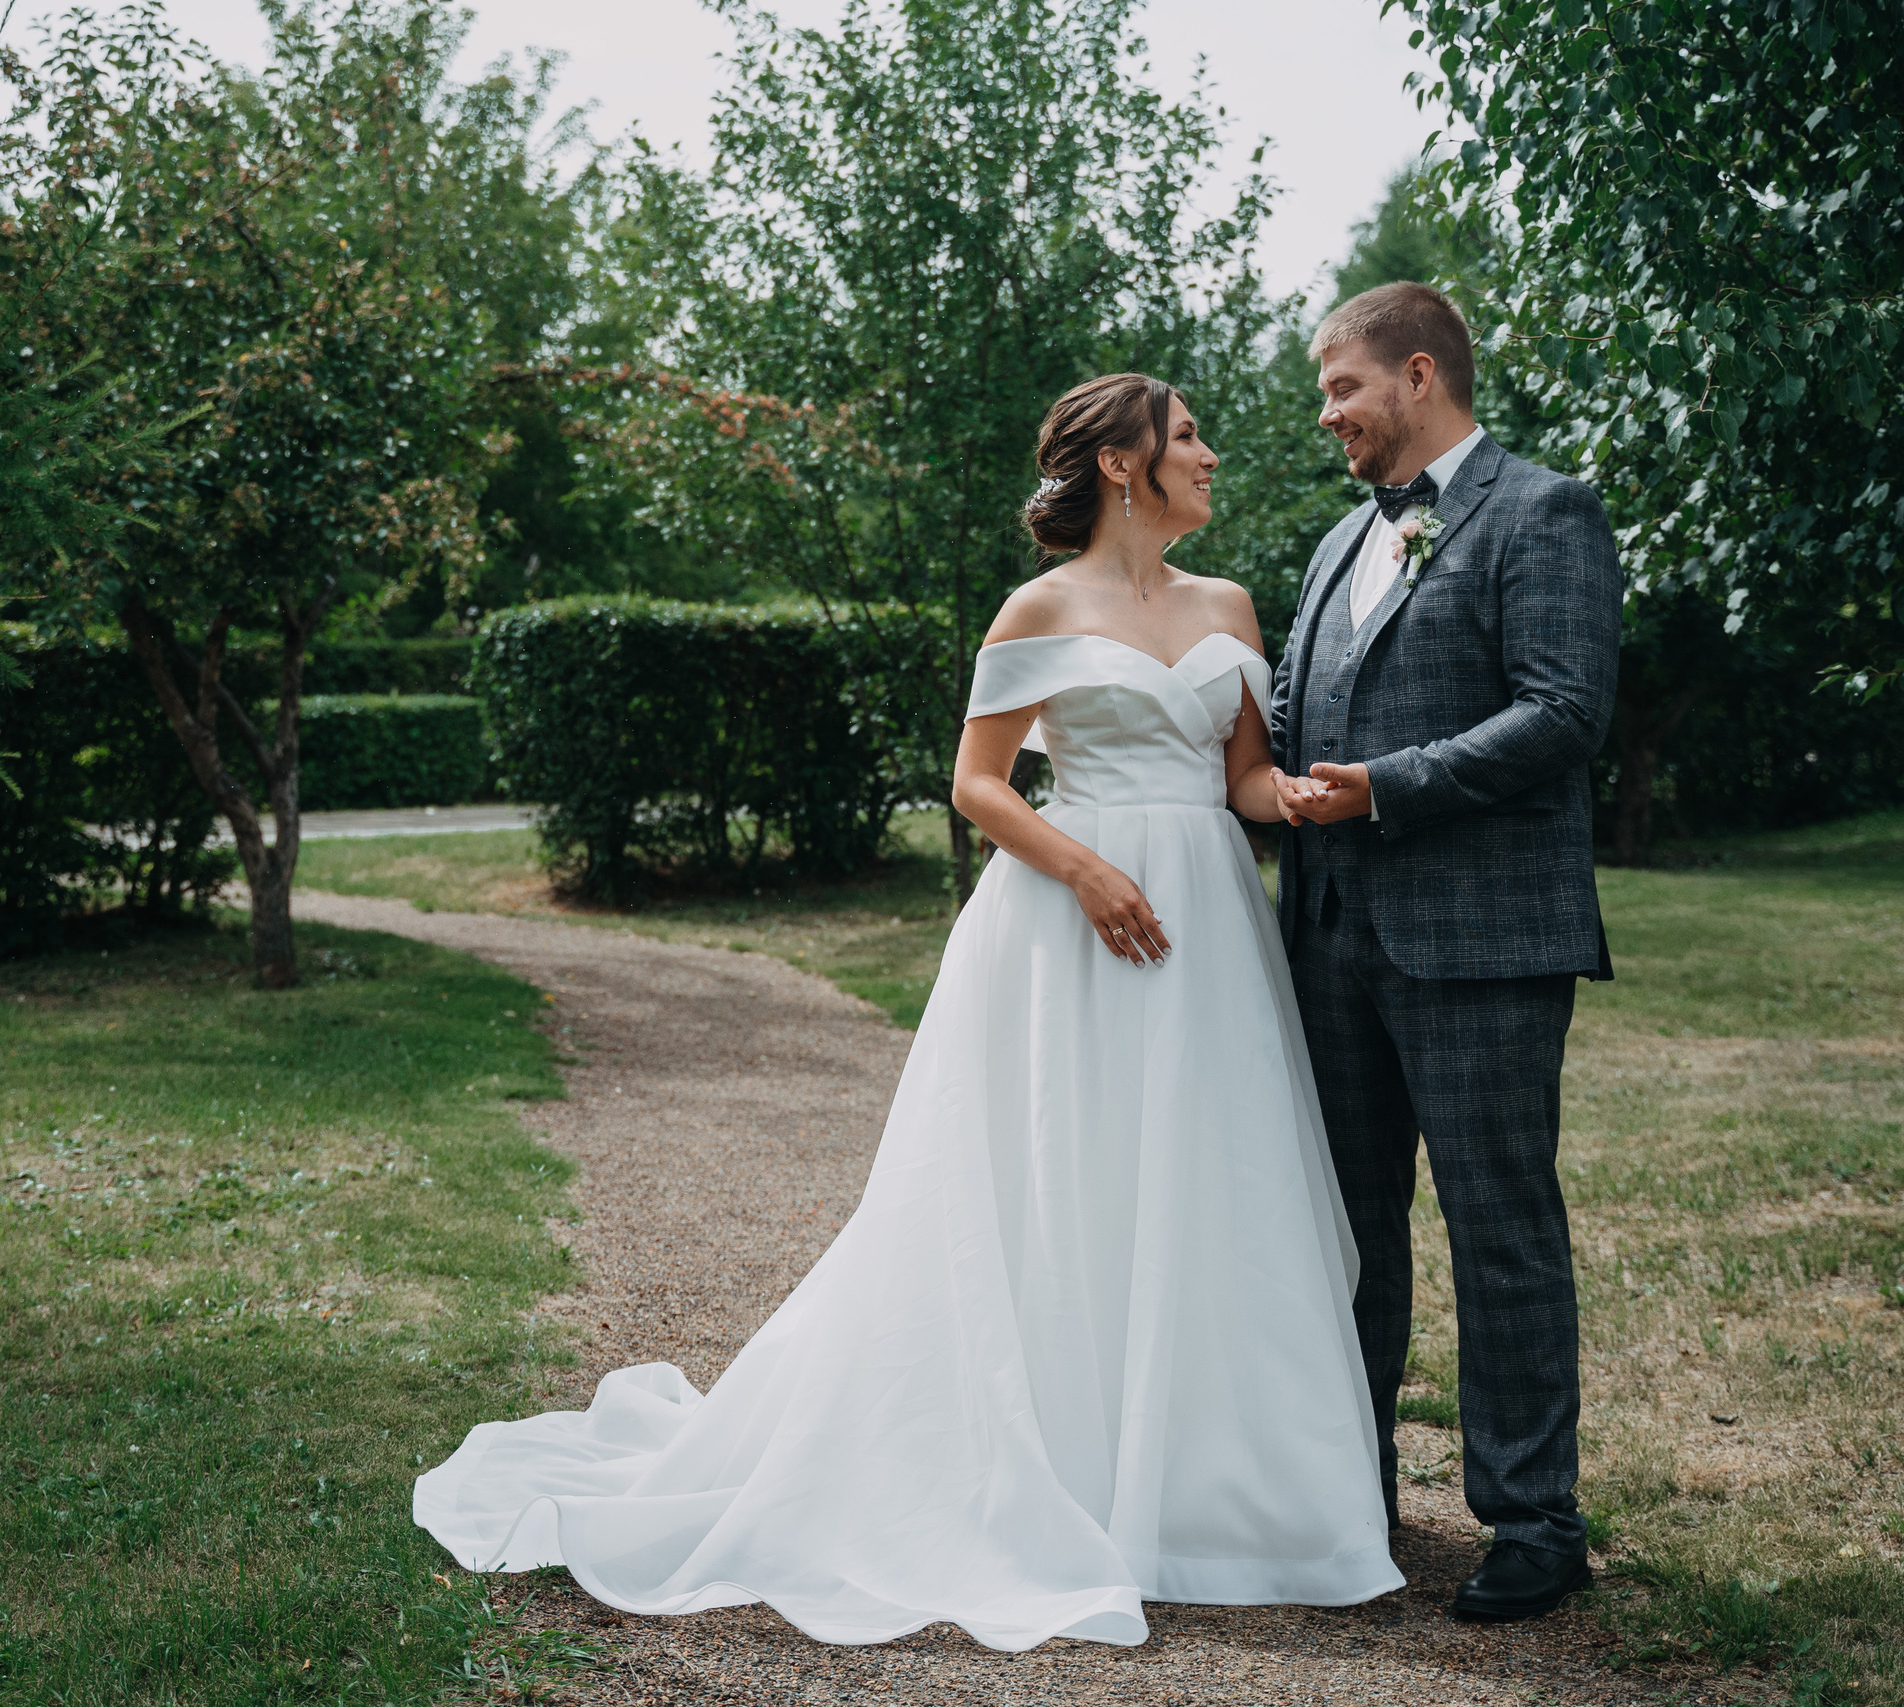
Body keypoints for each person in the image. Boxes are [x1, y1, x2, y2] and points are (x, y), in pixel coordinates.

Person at [415, 372, 1404, 1651]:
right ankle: (1057, 1468)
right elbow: (977, 784)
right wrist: (1086, 870)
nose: (1210, 453)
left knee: (1208, 1176)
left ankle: (1209, 1495)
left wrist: (1307, 800)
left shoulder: (1227, 605)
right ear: (1122, 462)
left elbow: (1243, 779)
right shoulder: (1039, 608)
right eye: (1188, 435)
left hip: (1207, 922)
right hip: (1071, 921)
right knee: (1063, 1177)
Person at [1268, 281, 1622, 1622]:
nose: (1327, 414)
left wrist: (1387, 786)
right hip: (1328, 944)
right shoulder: (1334, 542)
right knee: (1345, 1233)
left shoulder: (1543, 511)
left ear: (1419, 375)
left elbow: (1563, 711)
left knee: (1499, 1230)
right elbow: (1292, 718)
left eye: (1341, 387)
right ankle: (1345, 1497)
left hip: (1482, 941)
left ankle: (1533, 1521)